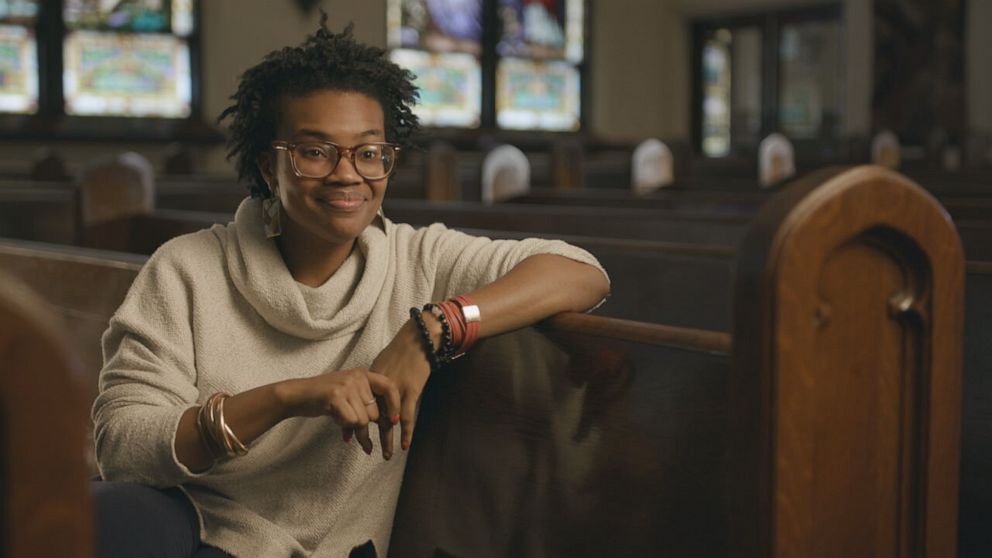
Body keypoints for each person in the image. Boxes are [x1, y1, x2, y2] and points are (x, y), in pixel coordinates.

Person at [91, 18, 609, 558]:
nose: (347, 175)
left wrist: (432, 328)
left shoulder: (419, 259)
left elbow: (579, 271)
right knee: (99, 519)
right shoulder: (187, 268)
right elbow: (123, 447)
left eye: (368, 152)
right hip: (194, 525)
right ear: (271, 166)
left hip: (332, 546)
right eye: (315, 152)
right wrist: (290, 396)